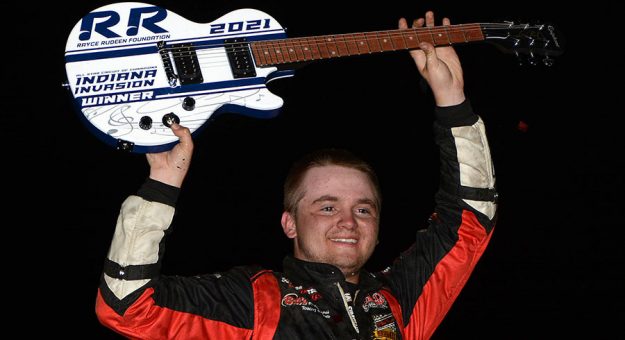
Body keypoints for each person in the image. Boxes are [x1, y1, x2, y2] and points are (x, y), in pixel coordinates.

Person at [95, 11, 498, 339]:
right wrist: (161, 186)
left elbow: (469, 221)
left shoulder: (399, 303)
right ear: (289, 222)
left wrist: (453, 101)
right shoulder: (254, 301)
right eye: (327, 206)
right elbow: (128, 307)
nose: (348, 222)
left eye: (363, 210)